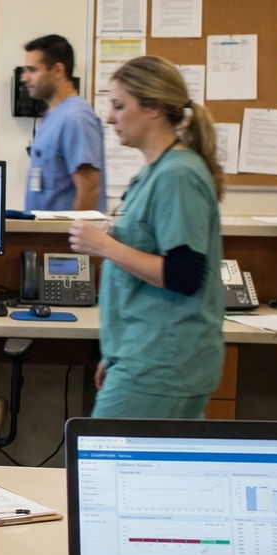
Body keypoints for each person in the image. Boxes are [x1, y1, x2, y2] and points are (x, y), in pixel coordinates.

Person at [68, 55, 224, 418]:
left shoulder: (177, 176)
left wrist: (103, 246)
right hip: (147, 357)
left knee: (101, 464)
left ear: (153, 108)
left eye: (120, 106)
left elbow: (184, 274)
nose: (109, 118)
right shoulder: (158, 171)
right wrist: (118, 354)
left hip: (162, 363)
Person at [20, 34, 105, 212]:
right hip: (42, 235)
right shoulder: (52, 116)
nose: (24, 78)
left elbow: (89, 190)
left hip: (61, 239)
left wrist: (72, 239)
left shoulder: (76, 118)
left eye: (32, 70)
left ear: (58, 70)